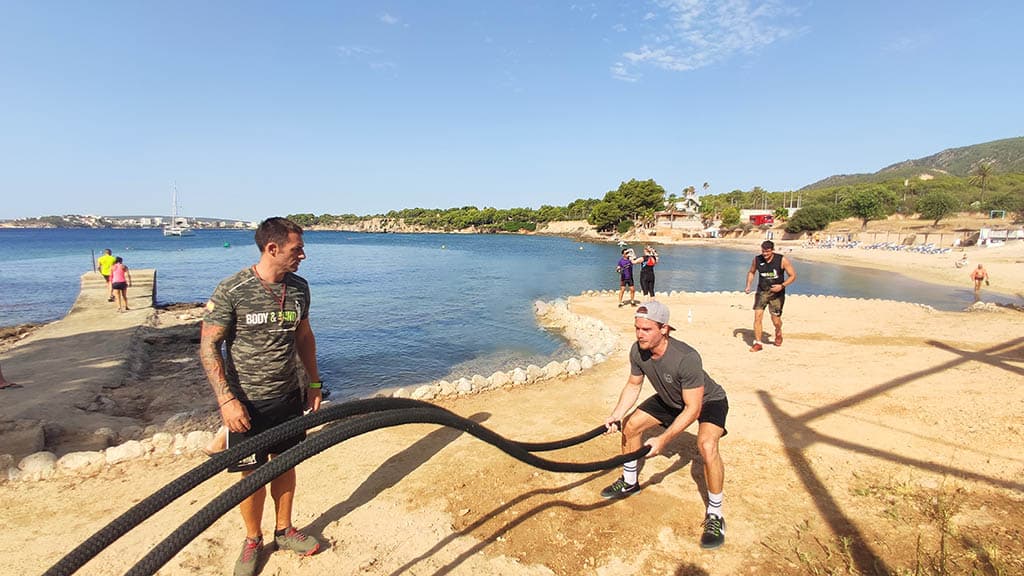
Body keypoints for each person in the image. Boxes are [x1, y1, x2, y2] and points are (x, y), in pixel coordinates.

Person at [200, 217, 324, 576]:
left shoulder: (299, 288)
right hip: (246, 404)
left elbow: (304, 337)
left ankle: (284, 530)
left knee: (285, 464)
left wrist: (313, 384)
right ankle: (252, 539)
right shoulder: (233, 289)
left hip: (288, 396)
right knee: (251, 473)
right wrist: (227, 401)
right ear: (272, 249)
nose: (303, 255)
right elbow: (209, 346)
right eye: (296, 249)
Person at [601, 301, 729, 550]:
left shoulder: (686, 358)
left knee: (706, 445)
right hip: (671, 398)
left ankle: (716, 514)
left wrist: (664, 439)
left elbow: (692, 408)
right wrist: (616, 414)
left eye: (646, 329)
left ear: (664, 329)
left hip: (707, 400)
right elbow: (633, 385)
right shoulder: (638, 351)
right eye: (637, 328)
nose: (640, 334)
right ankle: (630, 482)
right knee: (631, 425)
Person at [744, 240, 797, 352]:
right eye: (763, 251)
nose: (765, 254)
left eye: (767, 252)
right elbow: (752, 272)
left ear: (772, 250)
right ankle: (758, 343)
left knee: (776, 320)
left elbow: (792, 276)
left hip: (776, 294)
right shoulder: (757, 259)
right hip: (762, 292)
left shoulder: (781, 260)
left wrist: (782, 285)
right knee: (757, 316)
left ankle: (778, 331)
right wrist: (748, 285)